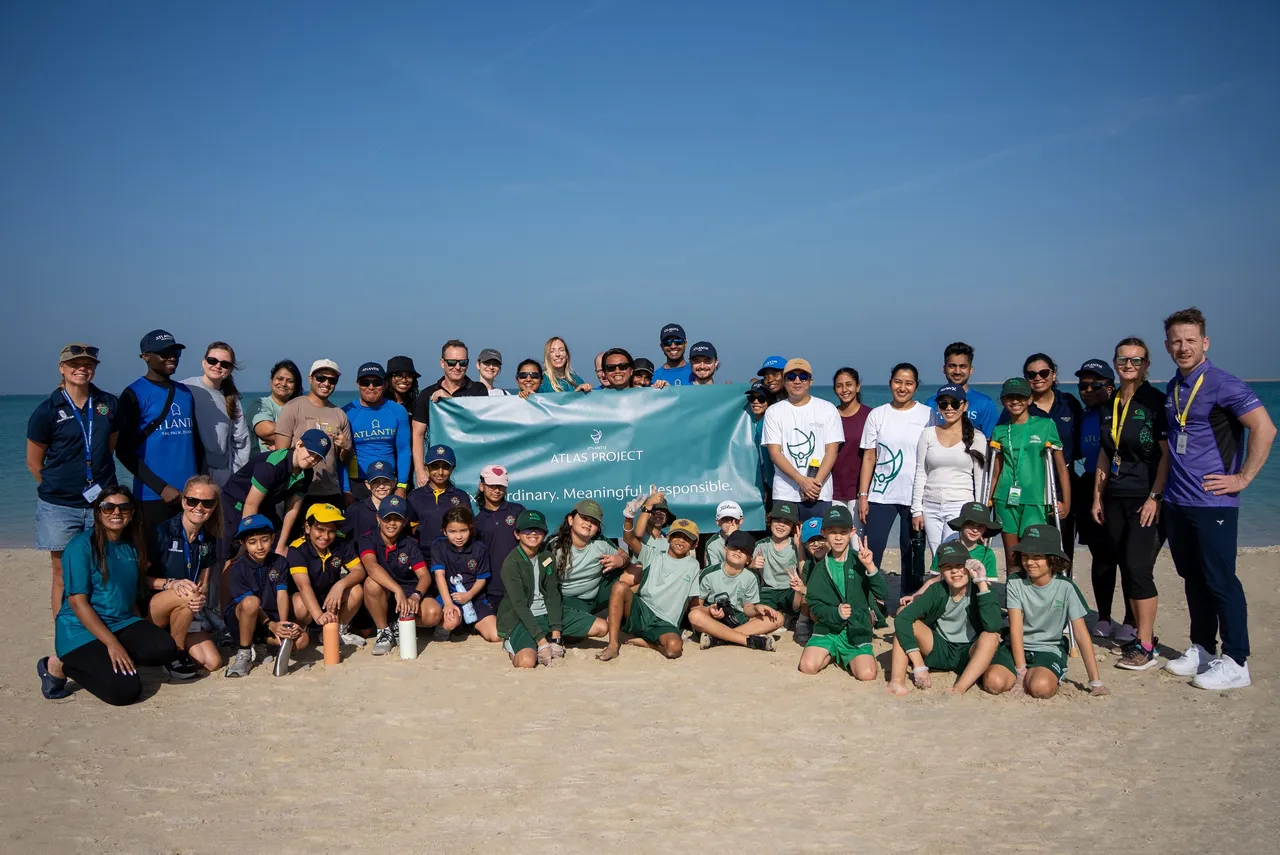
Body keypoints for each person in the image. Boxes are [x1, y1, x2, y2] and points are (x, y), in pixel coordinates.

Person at [1160, 307, 1275, 690]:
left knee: (1220, 579)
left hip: (1214, 503)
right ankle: (1203, 648)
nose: (1183, 347)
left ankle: (1237, 660)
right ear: (1167, 345)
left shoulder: (1225, 383)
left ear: (1205, 342)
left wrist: (1243, 478)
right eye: (1177, 340)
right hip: (1178, 501)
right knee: (1192, 577)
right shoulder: (1173, 386)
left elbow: (1264, 428)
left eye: (1191, 340)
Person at [27, 343, 120, 697]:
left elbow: (109, 446)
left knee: (100, 567)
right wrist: (60, 490)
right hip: (59, 506)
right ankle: (67, 638)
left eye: (88, 364)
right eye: (74, 364)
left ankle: (98, 628)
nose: (82, 369)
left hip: (100, 503)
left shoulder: (107, 403)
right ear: (62, 369)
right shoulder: (46, 409)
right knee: (63, 574)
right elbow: (34, 462)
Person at [39, 487, 183, 705]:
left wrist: (140, 624)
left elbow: (130, 587)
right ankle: (61, 665)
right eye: (108, 507)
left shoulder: (131, 547)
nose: (117, 512)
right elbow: (77, 603)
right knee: (126, 691)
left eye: (124, 507)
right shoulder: (80, 546)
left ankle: (110, 662)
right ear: (98, 512)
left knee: (163, 647)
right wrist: (113, 644)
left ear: (132, 513)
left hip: (120, 622)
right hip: (82, 630)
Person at [1093, 338, 1170, 671]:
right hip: (1115, 497)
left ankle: (1147, 644)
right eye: (1123, 360)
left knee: (1139, 569)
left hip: (1145, 497)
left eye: (1136, 360)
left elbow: (1167, 457)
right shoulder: (1110, 402)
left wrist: (1155, 497)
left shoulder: (1156, 402)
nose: (1128, 365)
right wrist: (1097, 495)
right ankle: (1136, 635)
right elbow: (1106, 452)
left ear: (1147, 365)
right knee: (1123, 563)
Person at [982, 526, 1109, 698]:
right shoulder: (1015, 582)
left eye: (1037, 557)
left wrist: (1095, 681)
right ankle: (1022, 673)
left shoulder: (1066, 587)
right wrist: (1020, 673)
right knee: (993, 682)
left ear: (1052, 559)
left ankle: (1043, 673)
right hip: (1015, 647)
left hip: (1049, 649)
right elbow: (1016, 629)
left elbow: (1080, 633)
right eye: (1025, 556)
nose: (1029, 562)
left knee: (1040, 688)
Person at [886, 541, 1001, 696]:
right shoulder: (936, 590)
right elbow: (902, 618)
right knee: (905, 621)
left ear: (969, 566)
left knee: (990, 637)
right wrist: (919, 664)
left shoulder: (983, 590)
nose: (955, 572)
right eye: (948, 567)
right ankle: (897, 681)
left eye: (960, 565)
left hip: (969, 652)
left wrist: (981, 582)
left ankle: (959, 688)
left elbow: (993, 626)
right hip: (938, 647)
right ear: (940, 571)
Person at [116, 329, 203, 532]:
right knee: (153, 560)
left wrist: (202, 482)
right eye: (164, 353)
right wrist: (161, 488)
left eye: (176, 353)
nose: (172, 357)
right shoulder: (134, 394)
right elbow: (123, 451)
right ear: (145, 357)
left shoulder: (185, 393)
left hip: (190, 495)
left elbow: (196, 444)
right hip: (152, 496)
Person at [857, 363, 933, 593]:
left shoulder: (929, 414)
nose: (903, 387)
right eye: (898, 381)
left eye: (909, 383)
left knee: (911, 551)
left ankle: (908, 601)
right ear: (890, 382)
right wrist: (863, 495)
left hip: (916, 495)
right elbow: (869, 457)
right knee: (873, 548)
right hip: (881, 495)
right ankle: (871, 601)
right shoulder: (877, 415)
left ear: (916, 386)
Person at [498, 509, 607, 668]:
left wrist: (556, 637)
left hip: (546, 615)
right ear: (517, 534)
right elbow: (519, 606)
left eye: (538, 529)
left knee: (602, 628)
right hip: (520, 619)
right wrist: (541, 642)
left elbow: (553, 594)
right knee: (526, 662)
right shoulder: (511, 563)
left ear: (544, 533)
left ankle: (548, 638)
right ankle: (513, 643)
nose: (533, 533)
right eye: (527, 529)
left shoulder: (547, 556)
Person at [1006, 354, 1084, 567]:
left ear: (1053, 374)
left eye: (1044, 372)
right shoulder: (1019, 406)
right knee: (1030, 541)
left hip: (1063, 480)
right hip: (1029, 485)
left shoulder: (1068, 403)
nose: (1038, 377)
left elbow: (1078, 444)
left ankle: (1060, 583)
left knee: (1062, 540)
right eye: (1031, 374)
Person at [1074, 359, 1131, 639]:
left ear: (1110, 387)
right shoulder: (1085, 415)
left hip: (1120, 490)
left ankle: (1131, 620)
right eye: (1082, 385)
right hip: (1091, 490)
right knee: (1101, 556)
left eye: (1094, 385)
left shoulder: (1121, 411)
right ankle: (1105, 616)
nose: (1086, 390)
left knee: (1129, 557)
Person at [987, 377, 1071, 569]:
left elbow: (1060, 467)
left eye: (1020, 397)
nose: (1015, 401)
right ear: (1003, 401)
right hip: (1005, 499)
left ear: (1029, 399)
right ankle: (1013, 597)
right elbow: (996, 470)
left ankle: (1033, 596)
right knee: (1012, 557)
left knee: (1033, 555)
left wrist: (1066, 501)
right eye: (1010, 397)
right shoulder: (1000, 430)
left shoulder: (1046, 425)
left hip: (1035, 500)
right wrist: (988, 501)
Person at [145, 474, 224, 675]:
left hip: (185, 610)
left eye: (207, 503)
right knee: (188, 593)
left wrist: (201, 599)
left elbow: (202, 585)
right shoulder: (161, 531)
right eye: (192, 501)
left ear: (215, 506)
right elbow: (137, 579)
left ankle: (168, 644)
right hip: (151, 608)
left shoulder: (209, 540)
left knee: (212, 662)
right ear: (183, 501)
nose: (199, 507)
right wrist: (170, 583)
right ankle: (175, 655)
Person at [596, 512, 701, 662]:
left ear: (694, 544)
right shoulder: (653, 554)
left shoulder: (693, 565)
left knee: (674, 650)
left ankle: (648, 643)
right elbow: (629, 539)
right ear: (669, 537)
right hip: (641, 611)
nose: (681, 541)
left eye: (687, 538)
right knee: (619, 586)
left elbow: (693, 601)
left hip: (665, 623)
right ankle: (613, 645)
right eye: (677, 535)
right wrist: (629, 518)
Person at [797, 504, 885, 681]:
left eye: (843, 532)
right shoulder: (820, 568)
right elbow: (813, 601)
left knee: (867, 675)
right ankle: (831, 652)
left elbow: (882, 593)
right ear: (824, 533)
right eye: (832, 532)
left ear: (852, 532)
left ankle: (846, 655)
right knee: (807, 667)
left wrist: (870, 566)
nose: (838, 537)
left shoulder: (859, 560)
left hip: (856, 629)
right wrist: (835, 613)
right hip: (828, 629)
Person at [220, 428, 330, 559]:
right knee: (233, 553)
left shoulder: (307, 473)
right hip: (237, 504)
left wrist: (281, 546)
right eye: (311, 452)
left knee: (275, 543)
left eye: (318, 457)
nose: (313, 459)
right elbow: (251, 504)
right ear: (299, 444)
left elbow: (292, 509)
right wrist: (246, 545)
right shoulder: (273, 465)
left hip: (264, 506)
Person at [762, 358, 844, 522]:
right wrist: (801, 481)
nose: (797, 381)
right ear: (784, 382)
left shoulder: (827, 409)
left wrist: (815, 484)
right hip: (785, 492)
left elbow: (831, 451)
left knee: (817, 543)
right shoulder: (773, 412)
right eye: (791, 377)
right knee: (785, 545)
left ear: (811, 381)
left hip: (818, 492)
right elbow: (775, 453)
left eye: (803, 377)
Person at [359, 495, 443, 656]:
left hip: (408, 593)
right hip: (385, 594)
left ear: (404, 522)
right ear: (378, 518)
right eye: (386, 518)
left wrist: (416, 596)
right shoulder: (368, 538)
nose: (391, 523)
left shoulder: (410, 543)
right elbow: (371, 566)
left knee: (434, 613)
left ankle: (398, 624)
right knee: (371, 583)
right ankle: (383, 631)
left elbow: (424, 575)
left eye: (397, 519)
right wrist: (397, 590)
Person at [911, 383, 986, 556]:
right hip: (930, 506)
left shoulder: (978, 438)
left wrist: (980, 517)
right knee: (938, 557)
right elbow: (921, 472)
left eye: (954, 403)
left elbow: (981, 479)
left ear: (965, 405)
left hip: (961, 506)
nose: (949, 408)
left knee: (954, 556)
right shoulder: (927, 434)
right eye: (943, 404)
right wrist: (917, 510)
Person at [222, 515, 301, 678]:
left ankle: (261, 643)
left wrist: (283, 625)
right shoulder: (237, 568)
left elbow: (281, 593)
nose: (259, 546)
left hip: (270, 617)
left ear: (272, 538)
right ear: (243, 544)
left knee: (302, 641)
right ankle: (244, 652)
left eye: (264, 540)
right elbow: (250, 605)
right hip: (243, 618)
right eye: (252, 542)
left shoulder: (279, 562)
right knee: (251, 602)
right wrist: (270, 624)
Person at [271, 359, 352, 513]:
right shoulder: (293, 407)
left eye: (332, 380)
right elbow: (280, 455)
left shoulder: (339, 414)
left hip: (331, 490)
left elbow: (343, 460)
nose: (326, 383)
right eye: (321, 378)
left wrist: (346, 447)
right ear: (310, 379)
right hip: (298, 490)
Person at [285, 503, 367, 651]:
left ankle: (339, 630)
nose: (325, 536)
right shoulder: (297, 548)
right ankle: (304, 629)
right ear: (308, 527)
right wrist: (318, 616)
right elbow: (303, 585)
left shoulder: (341, 544)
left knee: (356, 590)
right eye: (320, 529)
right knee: (299, 603)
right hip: (306, 597)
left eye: (331, 531)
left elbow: (359, 571)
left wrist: (340, 585)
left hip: (329, 597)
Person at [411, 341, 488, 486]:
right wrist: (420, 470)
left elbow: (479, 424)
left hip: (472, 465)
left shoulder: (479, 390)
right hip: (437, 468)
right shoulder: (427, 394)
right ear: (442, 362)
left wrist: (450, 402)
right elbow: (417, 434)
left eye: (463, 362)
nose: (457, 367)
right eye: (452, 362)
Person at [690, 530, 782, 651]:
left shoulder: (751, 577)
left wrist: (756, 608)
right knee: (694, 615)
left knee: (778, 617)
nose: (738, 551)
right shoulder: (709, 573)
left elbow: (747, 609)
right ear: (725, 549)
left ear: (749, 559)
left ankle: (718, 639)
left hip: (739, 620)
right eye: (734, 547)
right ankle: (747, 640)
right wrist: (710, 610)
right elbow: (695, 606)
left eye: (744, 550)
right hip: (713, 621)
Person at [182, 341, 250, 487]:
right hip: (189, 470)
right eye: (212, 360)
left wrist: (237, 478)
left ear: (231, 369)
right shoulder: (185, 388)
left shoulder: (232, 398)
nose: (218, 366)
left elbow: (240, 441)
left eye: (225, 364)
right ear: (203, 362)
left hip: (221, 476)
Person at [341, 362, 410, 501]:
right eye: (365, 382)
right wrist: (346, 490)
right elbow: (342, 457)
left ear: (384, 384)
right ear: (358, 384)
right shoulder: (346, 413)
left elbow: (403, 450)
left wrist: (402, 486)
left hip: (388, 481)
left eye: (376, 382)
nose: (371, 387)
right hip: (358, 482)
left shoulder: (398, 411)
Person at [429, 506, 499, 641]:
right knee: (451, 621)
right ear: (444, 531)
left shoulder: (479, 548)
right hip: (449, 597)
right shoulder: (438, 546)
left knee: (495, 636)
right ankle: (450, 625)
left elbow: (481, 579)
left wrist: (468, 595)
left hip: (474, 598)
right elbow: (439, 575)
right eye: (452, 531)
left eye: (463, 531)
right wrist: (448, 603)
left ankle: (470, 624)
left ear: (470, 529)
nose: (459, 536)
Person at [552, 500, 631, 618]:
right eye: (584, 518)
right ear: (570, 520)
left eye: (594, 522)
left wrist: (620, 561)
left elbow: (625, 555)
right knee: (589, 631)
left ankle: (623, 620)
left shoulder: (600, 542)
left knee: (637, 571)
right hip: (570, 600)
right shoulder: (554, 546)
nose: (588, 524)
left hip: (597, 592)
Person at [473, 464, 526, 614]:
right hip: (492, 588)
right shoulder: (477, 521)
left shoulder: (517, 510)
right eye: (492, 486)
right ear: (482, 486)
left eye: (501, 486)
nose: (497, 490)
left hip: (519, 583)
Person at [406, 444, 473, 553]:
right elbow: (410, 531)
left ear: (452, 468)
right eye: (435, 466)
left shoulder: (461, 496)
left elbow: (468, 529)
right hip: (424, 558)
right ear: (427, 468)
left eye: (445, 467)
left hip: (454, 556)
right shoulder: (414, 497)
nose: (440, 472)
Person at [925, 342, 1000, 436]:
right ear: (944, 369)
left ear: (971, 369)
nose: (957, 371)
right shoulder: (931, 403)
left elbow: (992, 441)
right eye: (952, 366)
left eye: (962, 366)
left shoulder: (984, 403)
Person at [830, 368, 870, 531]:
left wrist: (864, 494)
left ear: (858, 386)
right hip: (832, 489)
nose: (844, 390)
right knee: (835, 540)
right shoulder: (829, 414)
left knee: (857, 542)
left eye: (849, 384)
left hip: (858, 490)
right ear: (834, 389)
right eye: (839, 386)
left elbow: (872, 456)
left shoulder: (870, 415)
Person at [342, 459, 417, 540]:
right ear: (367, 484)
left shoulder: (403, 507)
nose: (381, 486)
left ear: (394, 483)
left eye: (386, 482)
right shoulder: (355, 510)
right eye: (376, 482)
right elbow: (345, 540)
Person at [751, 501, 801, 616]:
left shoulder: (796, 545)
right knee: (759, 608)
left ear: (793, 526)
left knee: (803, 595)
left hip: (790, 589)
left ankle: (795, 617)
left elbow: (804, 569)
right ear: (770, 520)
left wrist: (800, 548)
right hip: (768, 590)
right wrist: (752, 565)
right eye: (777, 520)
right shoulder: (761, 545)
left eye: (787, 522)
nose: (781, 525)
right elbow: (746, 569)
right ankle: (780, 615)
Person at [250, 360, 302, 454]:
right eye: (280, 378)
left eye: (290, 381)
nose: (283, 384)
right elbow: (266, 430)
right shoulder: (260, 403)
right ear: (271, 381)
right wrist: (299, 431)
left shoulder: (300, 408)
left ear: (295, 386)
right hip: (264, 464)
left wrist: (281, 440)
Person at [791, 517, 827, 644]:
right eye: (811, 540)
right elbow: (803, 572)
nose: (816, 544)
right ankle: (803, 621)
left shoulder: (837, 558)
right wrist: (799, 545)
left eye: (821, 538)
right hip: (820, 604)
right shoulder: (811, 563)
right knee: (799, 600)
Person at [745, 383, 775, 504]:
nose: (756, 402)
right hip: (758, 481)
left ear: (769, 402)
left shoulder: (769, 423)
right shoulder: (748, 422)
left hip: (771, 481)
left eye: (761, 399)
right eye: (752, 398)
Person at [702, 500, 743, 569]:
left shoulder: (749, 540)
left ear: (741, 520)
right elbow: (712, 572)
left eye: (734, 519)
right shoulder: (712, 544)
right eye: (725, 519)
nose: (730, 522)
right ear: (718, 522)